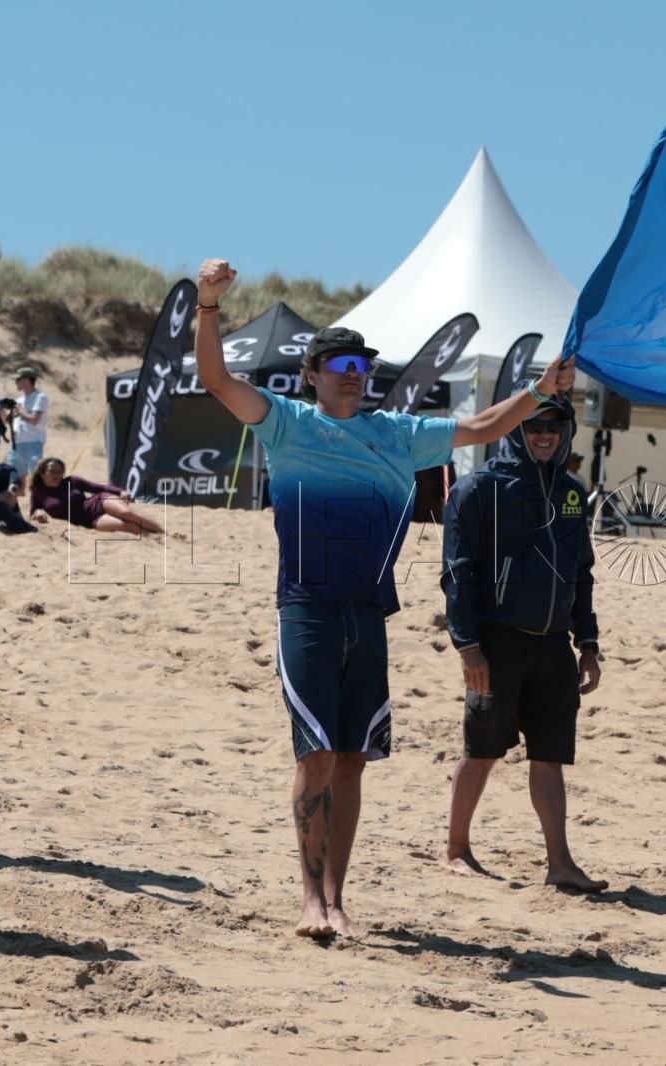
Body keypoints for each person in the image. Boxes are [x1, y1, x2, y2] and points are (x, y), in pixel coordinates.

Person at [193, 258, 577, 939]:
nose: (352, 371)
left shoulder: (397, 433)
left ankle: (337, 899)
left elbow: (485, 427)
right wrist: (208, 307)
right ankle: (310, 900)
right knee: (313, 755)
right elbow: (216, 380)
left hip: (369, 617)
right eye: (338, 363)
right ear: (312, 373)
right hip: (306, 612)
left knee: (350, 761)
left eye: (360, 363)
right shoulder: (285, 423)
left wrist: (538, 388)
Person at [439, 396, 605, 891]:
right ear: (514, 427)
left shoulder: (572, 493)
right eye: (534, 425)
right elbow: (457, 575)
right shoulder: (476, 491)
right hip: (496, 644)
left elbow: (582, 574)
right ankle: (456, 849)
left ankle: (560, 864)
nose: (545, 434)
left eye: (555, 425)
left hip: (554, 647)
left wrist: (589, 643)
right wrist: (468, 646)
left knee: (550, 754)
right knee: (483, 750)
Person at [27, 457, 162, 535]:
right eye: (52, 471)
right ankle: (154, 537)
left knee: (126, 512)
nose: (57, 475)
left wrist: (120, 491)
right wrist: (38, 513)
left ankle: (165, 534)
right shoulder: (38, 492)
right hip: (88, 521)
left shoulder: (71, 481)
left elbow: (99, 487)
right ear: (42, 473)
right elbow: (33, 511)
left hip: (98, 501)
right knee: (125, 526)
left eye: (59, 471)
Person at [8, 369, 48, 485]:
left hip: (33, 443)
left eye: (18, 379)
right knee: (14, 483)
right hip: (16, 444)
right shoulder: (19, 400)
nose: (15, 382)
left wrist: (21, 412)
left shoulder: (40, 397)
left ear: (26, 380)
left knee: (38, 481)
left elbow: (35, 420)